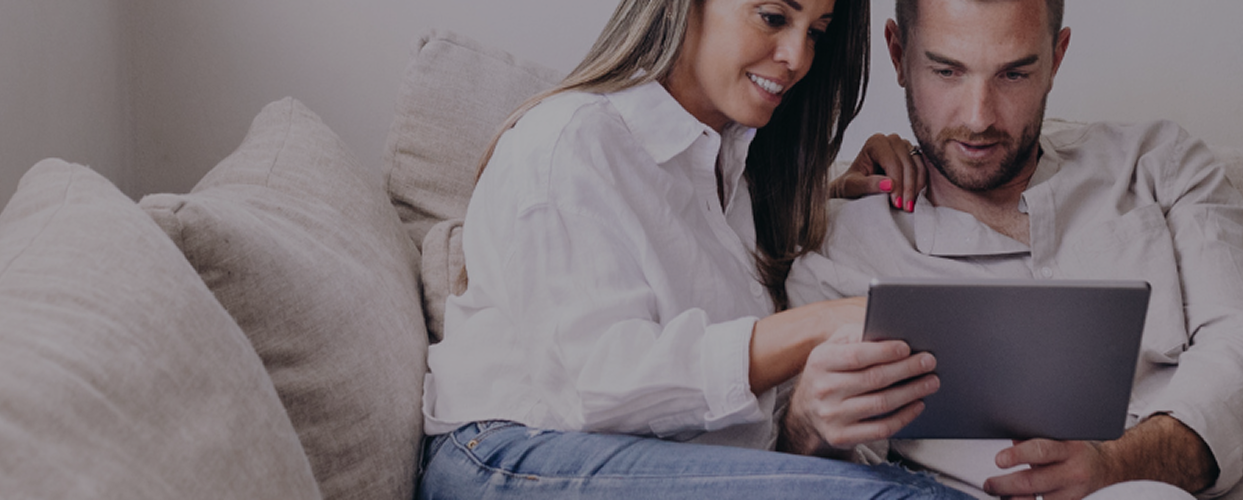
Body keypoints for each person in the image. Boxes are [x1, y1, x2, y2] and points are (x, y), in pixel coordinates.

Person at [417, 0, 976, 498]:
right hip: (513, 458)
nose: (797, 57)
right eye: (775, 17)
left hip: (649, 462)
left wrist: (828, 194)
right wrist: (820, 324)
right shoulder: (571, 139)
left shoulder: (737, 179)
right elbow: (596, 386)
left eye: (817, 32)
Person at [789, 0, 1243, 499]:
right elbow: (845, 469)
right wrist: (806, 426)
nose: (978, 117)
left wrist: (1120, 466)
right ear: (898, 55)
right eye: (947, 72)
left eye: (1013, 74)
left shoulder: (1160, 166)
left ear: (1056, 59)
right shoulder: (839, 248)